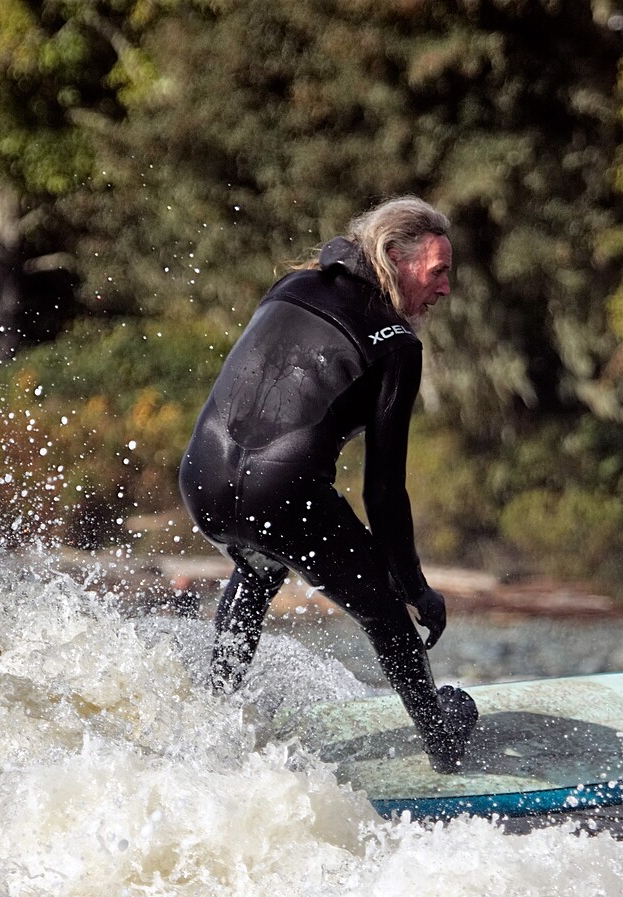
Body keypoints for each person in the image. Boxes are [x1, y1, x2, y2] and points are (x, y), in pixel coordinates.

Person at [178, 195, 479, 771]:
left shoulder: (289, 287)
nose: (444, 289)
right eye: (437, 272)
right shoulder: (397, 343)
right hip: (281, 494)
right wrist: (414, 588)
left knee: (258, 563)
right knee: (383, 609)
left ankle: (211, 725)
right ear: (394, 257)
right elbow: (384, 491)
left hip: (201, 478)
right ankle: (441, 739)